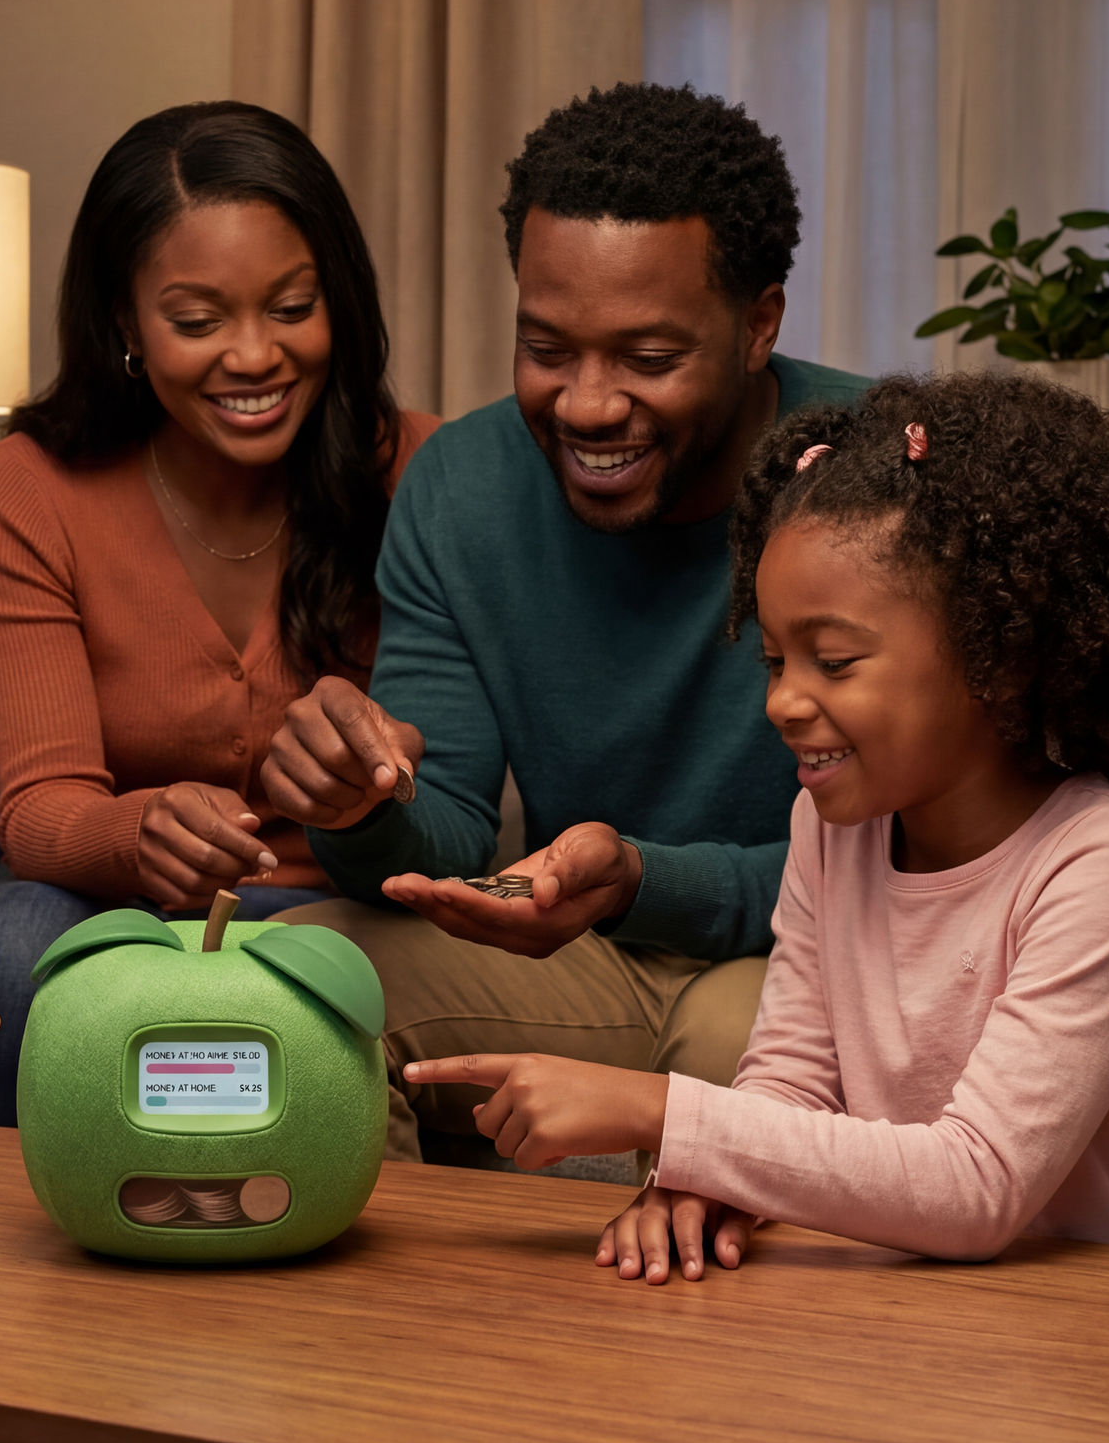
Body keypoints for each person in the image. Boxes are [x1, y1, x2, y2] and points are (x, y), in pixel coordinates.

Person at [406, 372, 1109, 1274]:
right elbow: (790, 1079)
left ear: (1002, 657)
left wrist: (662, 1114)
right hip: (925, 1308)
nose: (784, 701)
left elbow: (977, 1185)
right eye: (773, 660)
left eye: (833, 661)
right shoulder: (832, 830)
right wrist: (706, 1180)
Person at [261, 83, 865, 1161]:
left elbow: (932, 865)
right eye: (547, 348)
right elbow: (438, 824)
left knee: (741, 1066)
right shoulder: (461, 485)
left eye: (647, 359)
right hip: (582, 948)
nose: (586, 405)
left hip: (807, 949)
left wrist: (645, 878)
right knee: (281, 989)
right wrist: (360, 805)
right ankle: (374, 1335)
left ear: (758, 322)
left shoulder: (874, 473)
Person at [0, 101, 437, 1126]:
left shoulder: (416, 469)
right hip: (104, 904)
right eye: (197, 321)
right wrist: (139, 829)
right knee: (9, 945)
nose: (252, 357)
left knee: (386, 973)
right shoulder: (29, 489)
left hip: (337, 903)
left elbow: (446, 773)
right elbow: (37, 811)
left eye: (291, 307)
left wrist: (379, 768)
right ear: (124, 323)